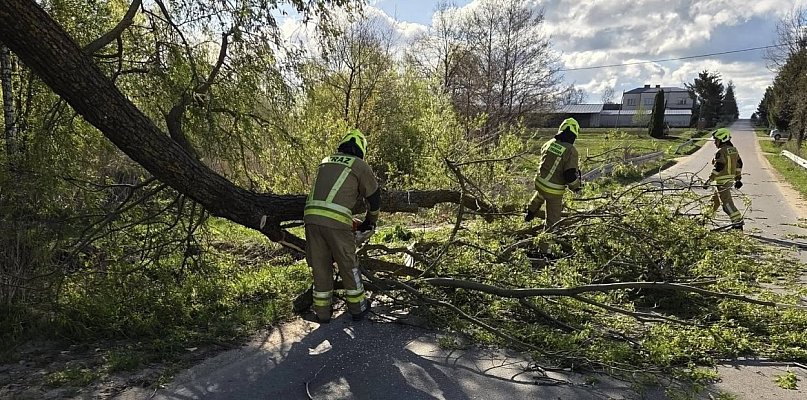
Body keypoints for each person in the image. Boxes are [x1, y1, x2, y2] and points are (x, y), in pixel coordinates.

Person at [304, 129, 380, 323]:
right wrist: (371, 221)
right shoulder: (359, 165)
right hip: (336, 222)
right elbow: (374, 197)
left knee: (320, 266)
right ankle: (358, 308)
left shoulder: (326, 160)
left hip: (311, 218)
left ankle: (322, 313)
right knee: (348, 263)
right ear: (361, 149)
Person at [524, 118, 582, 254]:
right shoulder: (571, 150)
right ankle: (545, 251)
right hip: (554, 190)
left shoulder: (549, 143)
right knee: (552, 222)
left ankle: (530, 210)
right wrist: (577, 188)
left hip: (539, 183)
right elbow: (569, 176)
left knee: (541, 193)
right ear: (574, 133)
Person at [703, 128, 744, 229]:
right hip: (729, 180)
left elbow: (719, 166)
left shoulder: (721, 151)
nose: (715, 143)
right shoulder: (733, 150)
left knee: (727, 204)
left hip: (722, 181)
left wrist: (709, 180)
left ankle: (737, 222)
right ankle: (704, 219)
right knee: (714, 202)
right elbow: (739, 164)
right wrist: (738, 178)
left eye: (716, 140)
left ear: (722, 139)